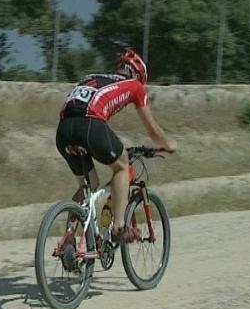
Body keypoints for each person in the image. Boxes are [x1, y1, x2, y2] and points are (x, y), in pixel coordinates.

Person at [55, 48, 177, 243]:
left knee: (88, 186)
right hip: (91, 125)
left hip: (63, 130)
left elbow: (71, 106)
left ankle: (68, 238)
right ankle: (119, 227)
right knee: (122, 167)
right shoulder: (135, 85)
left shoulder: (91, 77)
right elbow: (153, 131)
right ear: (137, 74)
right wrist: (168, 144)